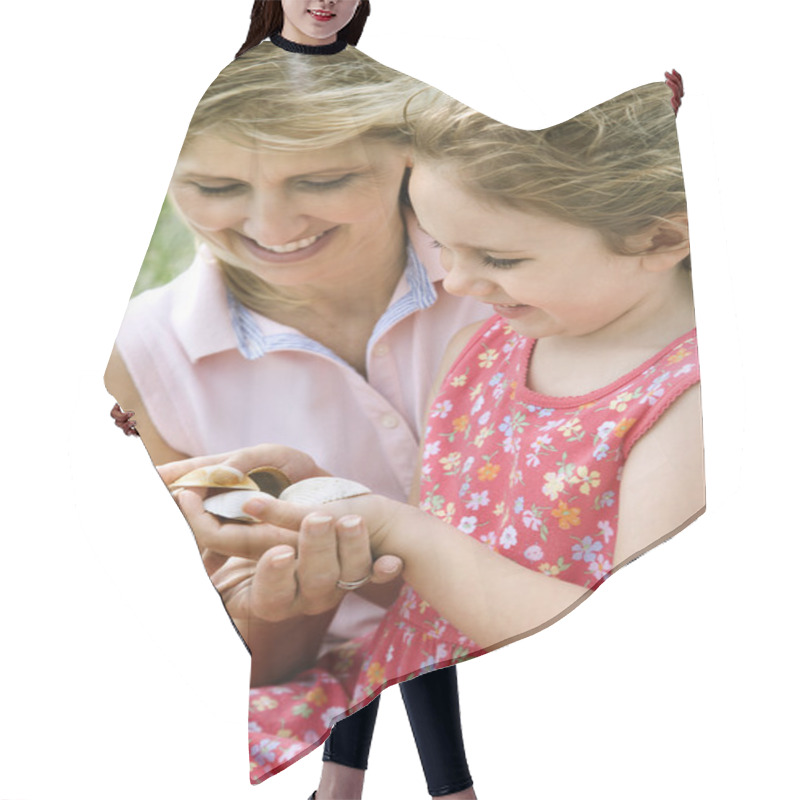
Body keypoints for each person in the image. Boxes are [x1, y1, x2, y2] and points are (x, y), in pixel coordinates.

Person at [175, 76, 703, 777]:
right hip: (406, 685)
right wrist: (339, 518)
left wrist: (402, 530)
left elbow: (623, 651)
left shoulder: (689, 401)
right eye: (443, 247)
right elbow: (436, 585)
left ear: (661, 236)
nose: (455, 284)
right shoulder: (481, 353)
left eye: (500, 259)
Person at [105, 11, 485, 797]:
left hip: (448, 541)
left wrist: (648, 126)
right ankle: (424, 788)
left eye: (321, 177)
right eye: (217, 186)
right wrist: (122, 405)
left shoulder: (490, 279)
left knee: (402, 614)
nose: (273, 227)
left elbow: (514, 148)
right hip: (337, 558)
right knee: (362, 605)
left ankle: (355, 786)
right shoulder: (153, 353)